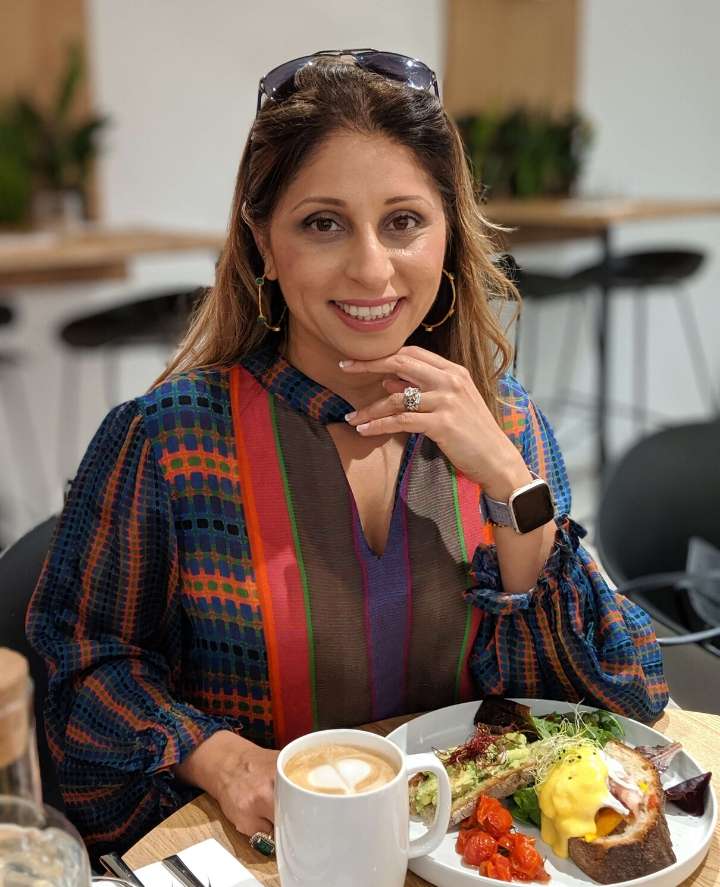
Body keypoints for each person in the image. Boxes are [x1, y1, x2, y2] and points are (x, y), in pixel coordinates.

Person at [27, 49, 668, 858]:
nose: (371, 267)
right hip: (256, 860)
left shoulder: (508, 425)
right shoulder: (166, 441)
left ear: (447, 233)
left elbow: (629, 694)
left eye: (404, 221)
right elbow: (77, 667)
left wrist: (510, 482)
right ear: (263, 241)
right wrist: (218, 757)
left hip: (469, 859)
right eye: (322, 223)